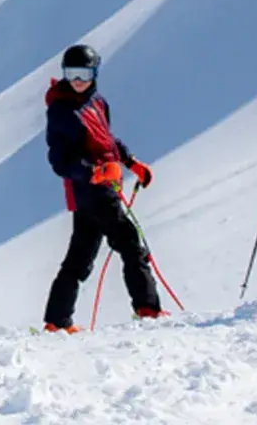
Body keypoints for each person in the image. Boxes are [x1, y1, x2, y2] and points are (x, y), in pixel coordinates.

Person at [42, 44, 162, 332]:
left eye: (83, 74)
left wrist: (131, 162)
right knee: (130, 244)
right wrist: (94, 172)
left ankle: (57, 322)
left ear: (95, 74)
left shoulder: (97, 102)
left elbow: (107, 140)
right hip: (92, 190)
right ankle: (148, 310)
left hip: (98, 189)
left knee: (80, 256)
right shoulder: (61, 110)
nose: (77, 80)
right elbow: (59, 159)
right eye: (71, 74)